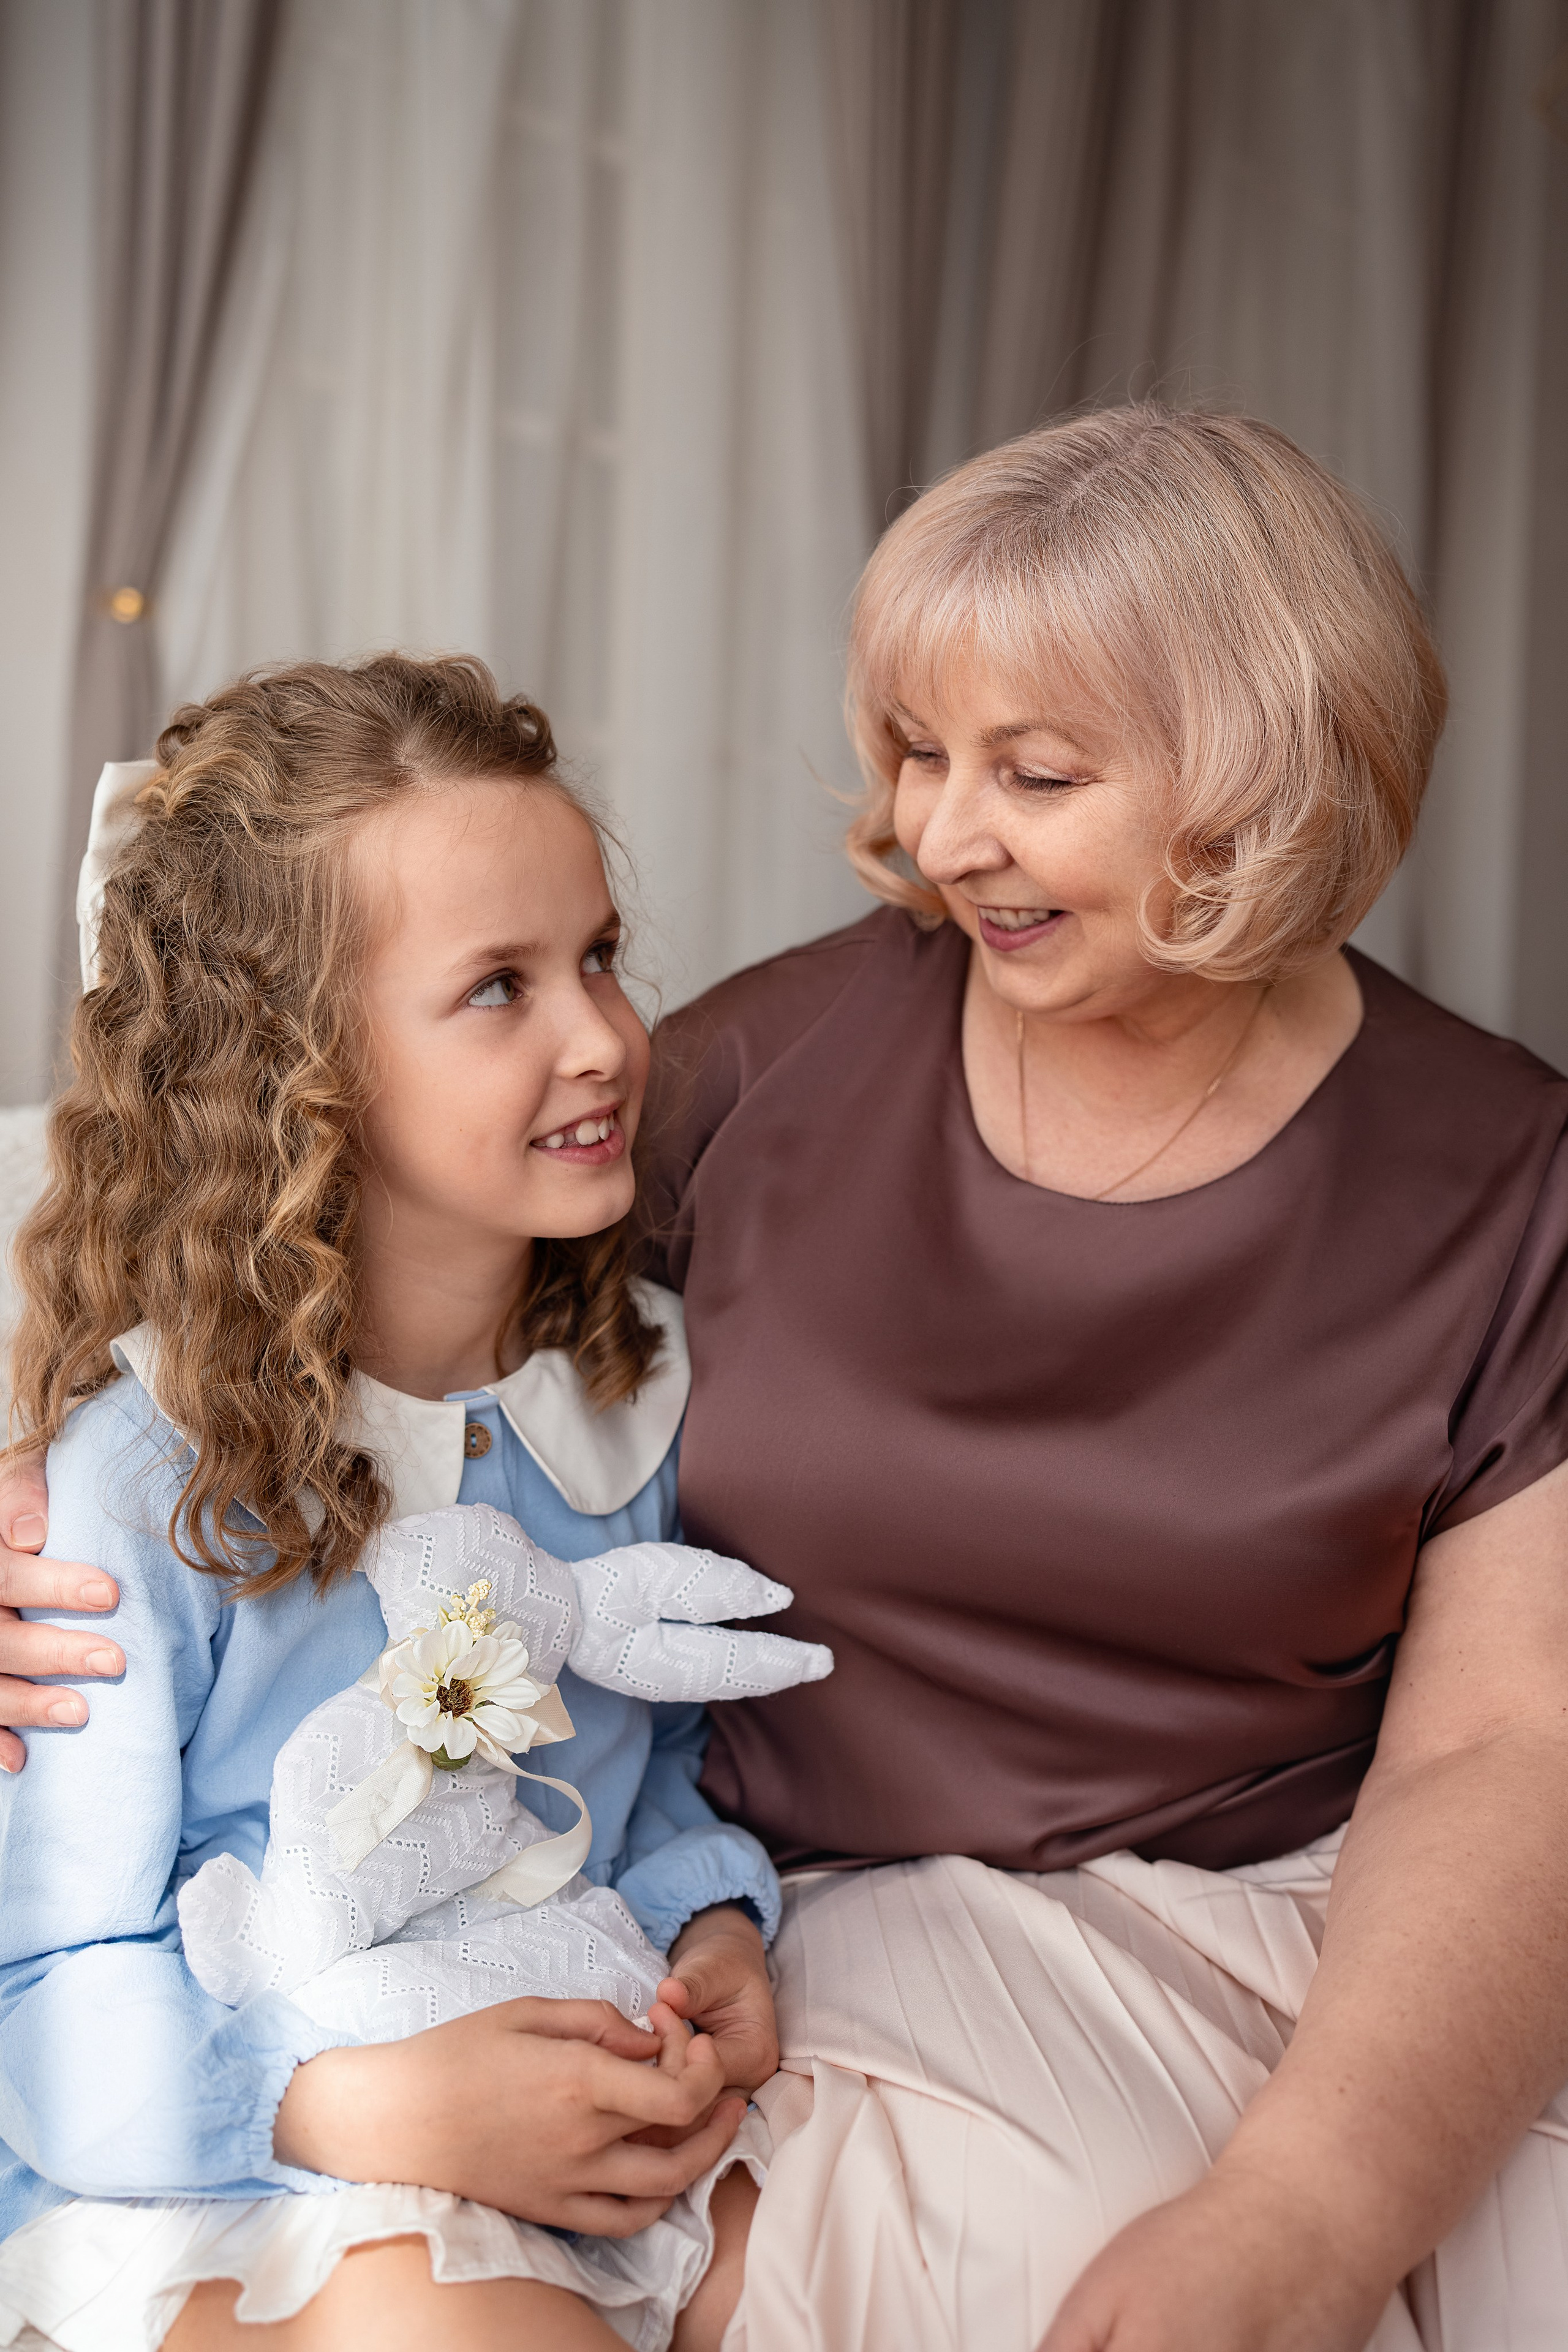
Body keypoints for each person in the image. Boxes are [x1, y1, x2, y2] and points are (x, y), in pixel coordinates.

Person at [6, 405, 1568, 2351]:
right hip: (545, 2034)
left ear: (1260, 779)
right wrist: (47, 1471)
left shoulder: (1502, 1176)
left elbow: (1509, 1745)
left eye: (1036, 771)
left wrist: (714, 1919)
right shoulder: (751, 1084)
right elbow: (278, 1221)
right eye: (919, 751)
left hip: (1254, 1930)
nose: (940, 837)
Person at [0, 655, 803, 2352]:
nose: (603, 1039)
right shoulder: (141, 1488)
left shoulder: (632, 1399)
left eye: (598, 957)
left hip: (558, 2100)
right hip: (230, 2158)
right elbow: (43, 1992)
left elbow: (650, 1765)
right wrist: (369, 2109)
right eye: (499, 988)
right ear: (298, 1071)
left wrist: (713, 1926)